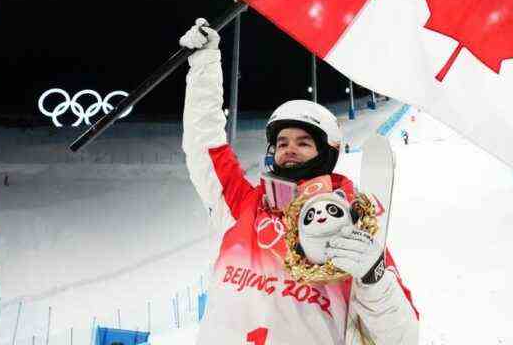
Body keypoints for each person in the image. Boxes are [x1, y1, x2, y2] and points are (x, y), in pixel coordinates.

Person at [180, 18, 419, 345]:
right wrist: (205, 65)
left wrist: (374, 278)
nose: (289, 148)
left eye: (303, 142)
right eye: (282, 143)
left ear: (326, 153)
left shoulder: (352, 228)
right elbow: (203, 146)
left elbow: (402, 339)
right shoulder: (243, 205)